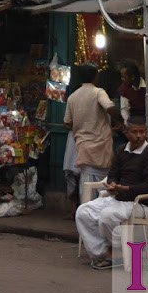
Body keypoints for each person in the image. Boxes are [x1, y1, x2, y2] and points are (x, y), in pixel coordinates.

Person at [77, 116, 148, 270]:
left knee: (107, 216)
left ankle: (118, 253)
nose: (139, 136)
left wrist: (126, 189)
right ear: (126, 132)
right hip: (119, 198)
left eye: (142, 132)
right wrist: (113, 183)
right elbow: (113, 174)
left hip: (141, 203)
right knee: (83, 212)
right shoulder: (121, 150)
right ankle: (102, 253)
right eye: (134, 132)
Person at [63, 63, 117, 201]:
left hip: (84, 148)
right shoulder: (98, 92)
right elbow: (109, 107)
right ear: (96, 76)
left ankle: (87, 216)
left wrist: (80, 127)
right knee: (103, 188)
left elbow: (67, 122)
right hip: (101, 148)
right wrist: (122, 121)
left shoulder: (72, 97)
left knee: (86, 187)